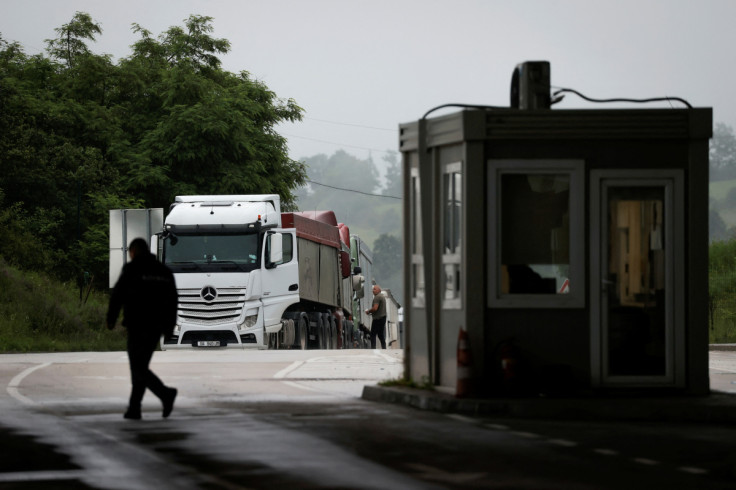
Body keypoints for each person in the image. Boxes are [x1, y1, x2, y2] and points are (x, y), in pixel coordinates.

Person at [107, 237, 178, 420]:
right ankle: (134, 408)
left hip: (137, 326)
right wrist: (169, 327)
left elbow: (118, 295)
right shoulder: (164, 272)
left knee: (138, 367)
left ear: (133, 252)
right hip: (155, 328)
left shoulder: (132, 269)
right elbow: (172, 302)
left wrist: (111, 318)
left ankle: (165, 394)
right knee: (140, 366)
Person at [365, 284, 387, 349]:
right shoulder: (382, 297)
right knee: (380, 335)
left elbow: (375, 308)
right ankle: (384, 347)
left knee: (373, 334)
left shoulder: (377, 297)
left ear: (379, 290)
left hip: (378, 319)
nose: (373, 290)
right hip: (383, 318)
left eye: (374, 289)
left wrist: (368, 311)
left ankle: (373, 348)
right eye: (373, 289)